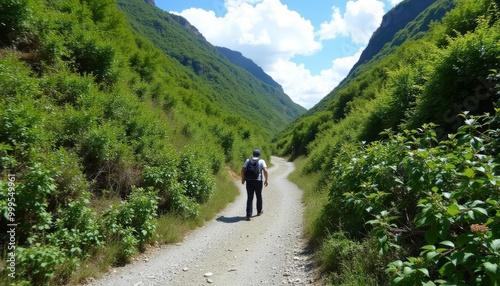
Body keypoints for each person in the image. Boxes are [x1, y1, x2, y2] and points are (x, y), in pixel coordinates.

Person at [241, 149, 268, 221]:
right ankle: (259, 212)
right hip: (258, 181)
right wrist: (266, 180)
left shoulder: (248, 160)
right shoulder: (261, 161)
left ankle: (248, 215)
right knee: (259, 196)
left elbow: (243, 170)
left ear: (253, 154)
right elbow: (265, 170)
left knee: (250, 197)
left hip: (249, 181)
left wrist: (243, 179)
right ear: (259, 155)